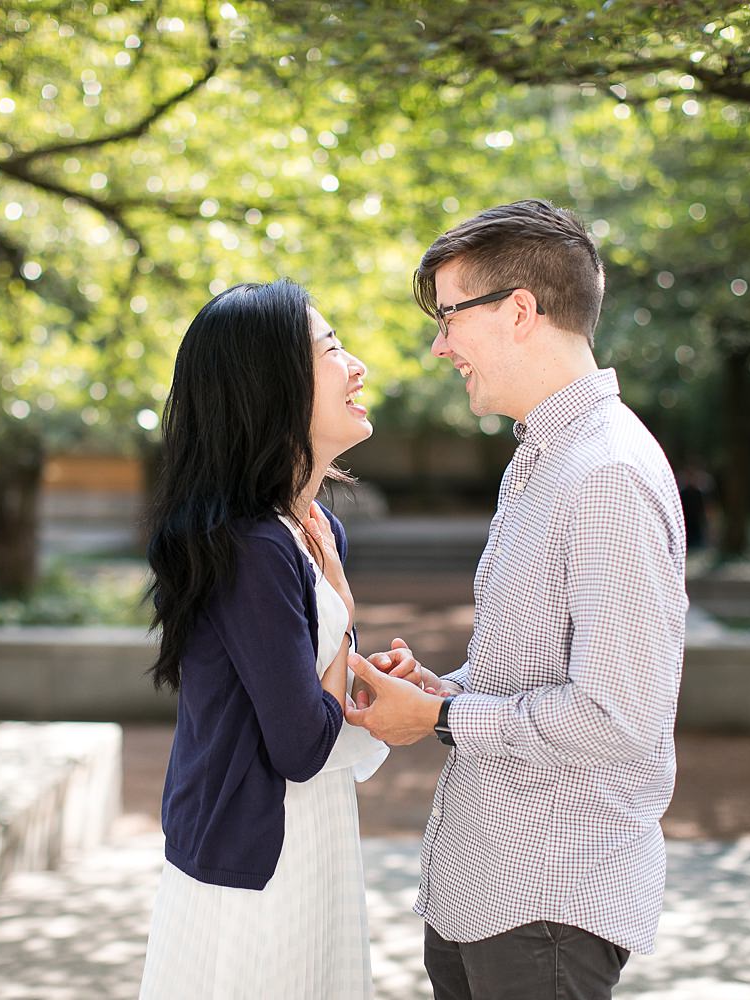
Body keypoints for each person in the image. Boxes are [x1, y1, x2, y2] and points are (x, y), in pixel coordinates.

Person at [345, 199, 689, 1000]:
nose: (439, 346)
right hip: (486, 886)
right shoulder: (542, 456)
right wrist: (446, 689)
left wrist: (436, 721)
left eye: (449, 316)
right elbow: (537, 666)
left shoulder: (607, 474)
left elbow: (618, 717)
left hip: (549, 904)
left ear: (521, 311)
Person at [137, 279, 388, 999]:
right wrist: (341, 604)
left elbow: (320, 696)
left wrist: (372, 677)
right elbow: (303, 745)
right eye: (332, 348)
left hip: (311, 837)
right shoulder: (253, 546)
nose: (357, 365)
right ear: (270, 383)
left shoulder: (311, 532)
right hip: (258, 867)